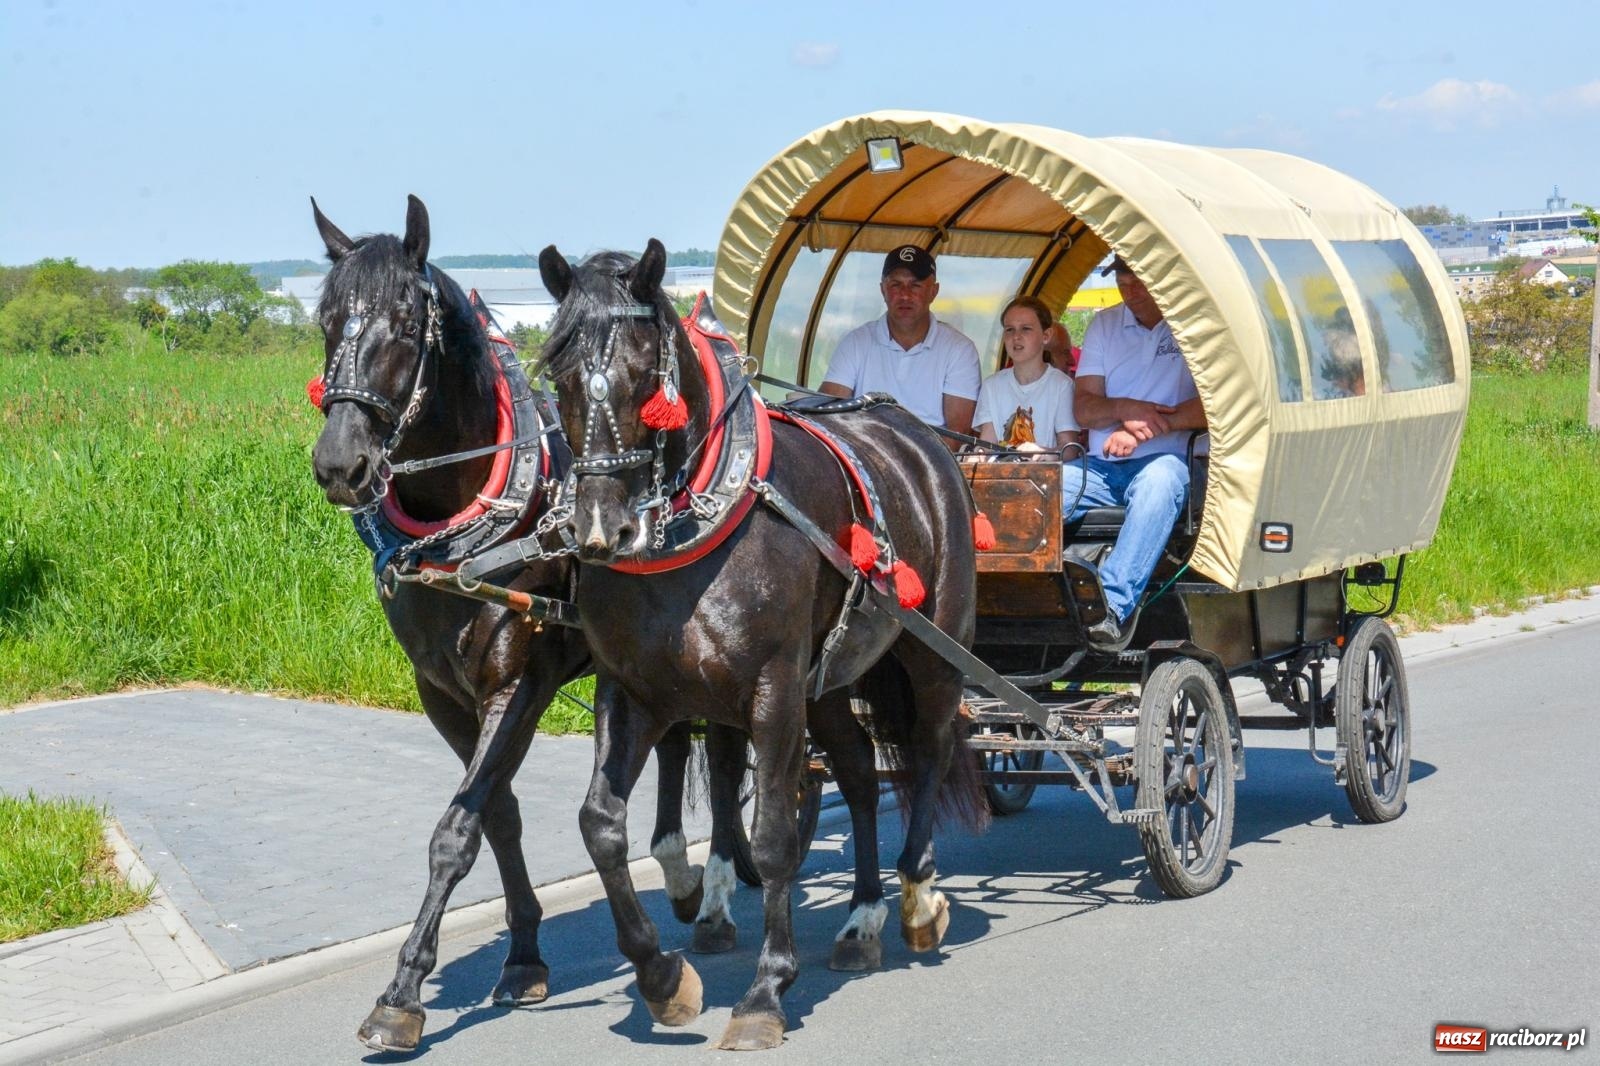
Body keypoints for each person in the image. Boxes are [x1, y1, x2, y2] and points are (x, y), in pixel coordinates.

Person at [1069, 256, 1207, 648]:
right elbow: (1084, 406)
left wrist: (1144, 431)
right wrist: (1127, 410)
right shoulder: (1105, 325)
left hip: (1173, 462)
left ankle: (1110, 606)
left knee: (1159, 482)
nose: (1130, 290)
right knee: (1042, 490)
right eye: (1123, 281)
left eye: (1139, 281)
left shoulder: (1194, 326)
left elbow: (1217, 407)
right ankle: (1011, 598)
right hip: (1101, 467)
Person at [818, 245, 981, 438]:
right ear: (882, 290)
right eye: (896, 285)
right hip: (865, 454)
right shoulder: (856, 342)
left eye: (916, 285)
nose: (905, 295)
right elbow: (828, 412)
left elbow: (956, 433)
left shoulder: (959, 350)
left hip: (931, 461)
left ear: (934, 291)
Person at [974, 296, 1084, 457]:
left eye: (1025, 328)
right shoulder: (991, 386)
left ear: (1046, 336)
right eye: (1009, 329)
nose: (1016, 336)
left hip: (1046, 479)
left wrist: (1043, 453)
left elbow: (1069, 450)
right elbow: (988, 443)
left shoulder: (1062, 385)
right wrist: (979, 454)